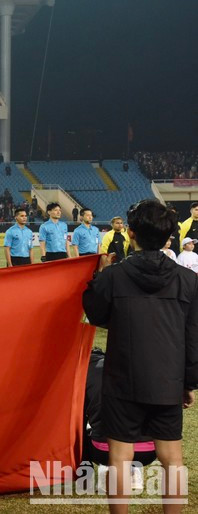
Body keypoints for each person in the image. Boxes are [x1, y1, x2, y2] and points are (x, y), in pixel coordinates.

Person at [83, 199, 197, 514]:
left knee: (120, 458)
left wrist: (99, 277)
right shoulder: (188, 280)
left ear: (131, 233)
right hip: (167, 380)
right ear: (168, 237)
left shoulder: (114, 276)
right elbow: (192, 337)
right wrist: (189, 383)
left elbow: (95, 315)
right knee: (172, 459)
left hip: (122, 378)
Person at [82, 348, 157, 493]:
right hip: (148, 452)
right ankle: (133, 473)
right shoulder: (146, 368)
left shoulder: (87, 372)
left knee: (81, 427)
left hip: (104, 451)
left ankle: (88, 476)